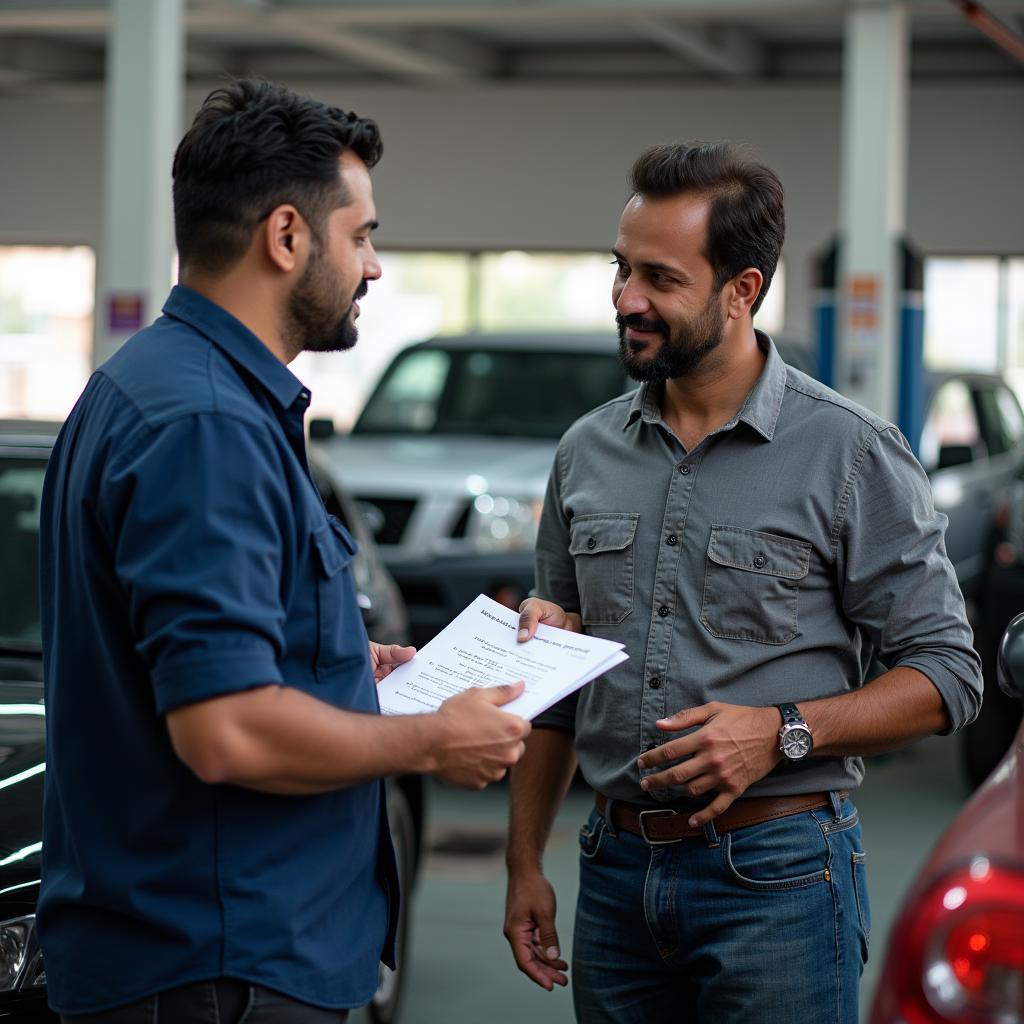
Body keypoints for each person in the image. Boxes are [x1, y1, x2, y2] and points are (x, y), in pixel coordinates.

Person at [38, 79, 530, 1023]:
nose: (375, 266)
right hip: (217, 966)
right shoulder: (208, 425)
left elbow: (187, 658)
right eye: (363, 235)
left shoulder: (156, 384)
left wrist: (340, 664)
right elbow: (221, 730)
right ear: (287, 236)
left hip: (196, 948)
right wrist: (431, 737)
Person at [503, 141, 982, 1024]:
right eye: (620, 269)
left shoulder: (850, 453)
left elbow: (950, 675)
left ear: (743, 291)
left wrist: (781, 732)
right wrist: (525, 860)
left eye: (659, 278)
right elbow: (558, 689)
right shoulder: (586, 452)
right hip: (613, 870)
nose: (626, 300)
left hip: (780, 878)